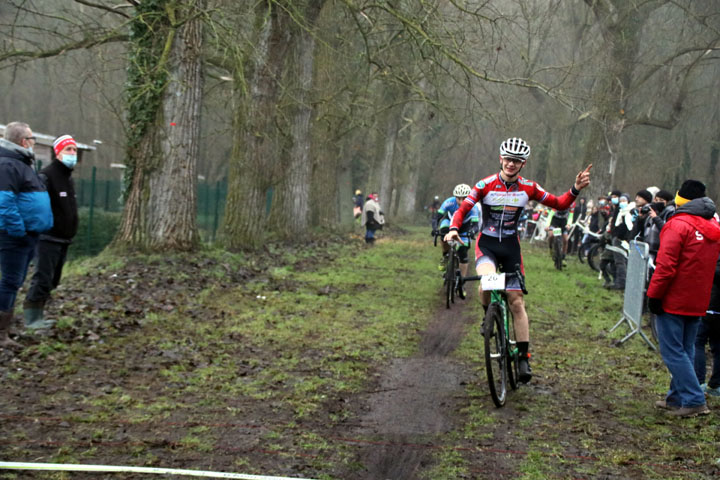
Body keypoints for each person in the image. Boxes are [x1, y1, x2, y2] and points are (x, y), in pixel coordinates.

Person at [444, 137, 592, 383]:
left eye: (517, 161)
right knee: (487, 282)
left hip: (511, 248)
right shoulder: (484, 185)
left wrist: (575, 189)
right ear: (500, 159)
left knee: (516, 301)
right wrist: (453, 228)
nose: (511, 164)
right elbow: (463, 209)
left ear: (523, 164)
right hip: (487, 245)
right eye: (508, 159)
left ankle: (523, 356)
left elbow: (559, 204)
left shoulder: (529, 187)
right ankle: (488, 316)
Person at [647, 179, 720, 418]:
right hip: (699, 299)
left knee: (672, 352)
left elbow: (665, 266)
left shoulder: (677, 225)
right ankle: (676, 397)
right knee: (686, 348)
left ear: (680, 199)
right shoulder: (713, 228)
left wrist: (654, 295)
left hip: (674, 298)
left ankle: (694, 399)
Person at [0, 122, 53, 349]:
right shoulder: (8, 165)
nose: (33, 143)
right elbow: (4, 202)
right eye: (31, 139)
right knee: (11, 281)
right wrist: (18, 230)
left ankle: (6, 329)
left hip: (27, 235)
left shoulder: (21, 163)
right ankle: (1, 334)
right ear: (24, 142)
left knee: (15, 281)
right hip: (15, 236)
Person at [22, 135, 80, 330]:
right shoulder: (46, 176)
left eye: (74, 150)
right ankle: (31, 318)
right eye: (68, 150)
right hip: (48, 237)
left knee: (53, 279)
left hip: (64, 238)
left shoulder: (68, 178)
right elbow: (37, 205)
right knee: (43, 277)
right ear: (58, 152)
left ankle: (40, 314)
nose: (72, 153)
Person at [433, 184, 480, 281]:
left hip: (464, 227)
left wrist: (472, 232)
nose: (461, 201)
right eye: (459, 198)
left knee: (463, 252)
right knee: (443, 231)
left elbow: (476, 225)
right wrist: (434, 228)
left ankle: (462, 281)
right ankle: (445, 255)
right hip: (449, 222)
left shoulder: (473, 207)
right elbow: (437, 217)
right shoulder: (449, 202)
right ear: (455, 197)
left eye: (464, 198)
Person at [694, 256, 720, 397]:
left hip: (710, 305)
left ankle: (699, 383)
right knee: (718, 346)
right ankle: (716, 384)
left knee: (698, 342)